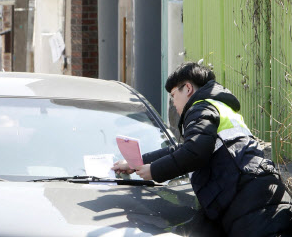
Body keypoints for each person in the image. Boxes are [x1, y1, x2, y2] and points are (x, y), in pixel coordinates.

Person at [112, 62, 292, 237]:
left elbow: (194, 152)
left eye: (174, 95)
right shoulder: (218, 107)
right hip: (257, 198)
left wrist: (153, 171)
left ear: (188, 88)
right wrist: (138, 162)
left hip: (251, 206)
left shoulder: (200, 108)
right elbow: (184, 149)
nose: (173, 103)